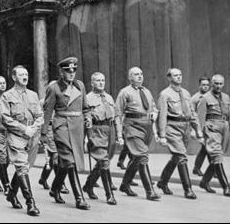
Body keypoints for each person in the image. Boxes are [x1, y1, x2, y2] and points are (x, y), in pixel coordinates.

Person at [42, 57, 91, 210]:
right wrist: (44, 133)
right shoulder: (54, 87)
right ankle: (79, 198)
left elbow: (85, 107)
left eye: (73, 70)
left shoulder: (80, 86)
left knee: (66, 162)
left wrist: (88, 118)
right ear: (61, 72)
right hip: (61, 126)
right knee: (70, 162)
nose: (71, 74)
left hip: (77, 127)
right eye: (67, 71)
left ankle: (55, 188)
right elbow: (48, 111)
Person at [1, 66, 44, 216]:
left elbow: (40, 115)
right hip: (16, 135)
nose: (25, 76)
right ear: (14, 77)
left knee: (25, 167)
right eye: (21, 74)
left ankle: (11, 194)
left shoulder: (33, 95)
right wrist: (23, 129)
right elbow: (5, 118)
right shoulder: (7, 96)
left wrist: (33, 128)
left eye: (26, 74)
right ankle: (30, 203)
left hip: (32, 136)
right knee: (22, 167)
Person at [156, 68, 202, 199]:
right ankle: (188, 189)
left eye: (180, 75)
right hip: (172, 128)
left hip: (185, 128)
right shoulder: (165, 94)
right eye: (175, 75)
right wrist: (163, 135)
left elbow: (192, 113)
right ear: (169, 78)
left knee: (177, 156)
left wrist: (197, 128)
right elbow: (162, 115)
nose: (178, 77)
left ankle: (162, 182)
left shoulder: (186, 93)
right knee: (181, 157)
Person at [115, 67, 160, 201]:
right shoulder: (124, 92)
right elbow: (118, 114)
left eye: (141, 74)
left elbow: (154, 109)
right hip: (132, 126)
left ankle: (125, 185)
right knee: (142, 157)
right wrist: (119, 134)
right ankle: (150, 191)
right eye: (136, 74)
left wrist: (155, 116)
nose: (140, 76)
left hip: (147, 127)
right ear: (130, 77)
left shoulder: (146, 91)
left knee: (136, 158)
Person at [82, 72, 123, 205]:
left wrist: (119, 135)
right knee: (104, 162)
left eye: (103, 80)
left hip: (109, 130)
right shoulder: (87, 99)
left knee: (103, 162)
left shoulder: (109, 98)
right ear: (92, 83)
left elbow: (116, 117)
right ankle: (109, 195)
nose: (101, 83)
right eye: (98, 81)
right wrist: (86, 138)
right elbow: (85, 119)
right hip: (96, 131)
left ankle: (88, 186)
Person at [197, 74, 230, 197]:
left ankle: (204, 182)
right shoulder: (205, 98)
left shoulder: (226, 97)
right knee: (217, 155)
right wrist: (200, 134)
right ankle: (226, 187)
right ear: (212, 84)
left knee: (218, 157)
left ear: (223, 84)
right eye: (216, 83)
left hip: (224, 128)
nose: (218, 86)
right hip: (212, 128)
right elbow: (200, 117)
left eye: (220, 84)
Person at [191, 77, 211, 177]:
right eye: (203, 85)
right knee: (208, 147)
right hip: (201, 126)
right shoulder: (195, 98)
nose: (205, 87)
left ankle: (196, 168)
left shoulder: (211, 97)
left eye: (207, 85)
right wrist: (194, 130)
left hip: (210, 126)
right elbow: (191, 114)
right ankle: (214, 169)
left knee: (206, 148)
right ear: (199, 85)